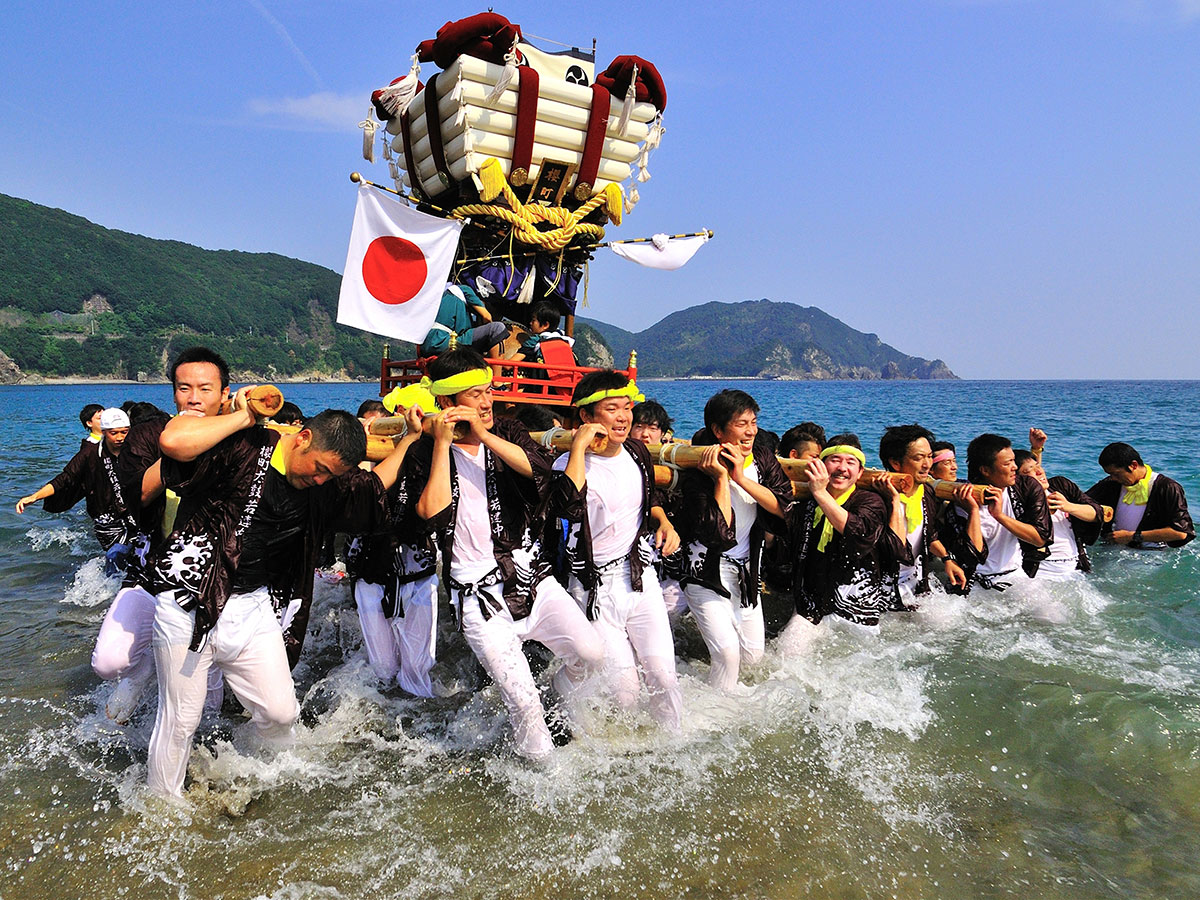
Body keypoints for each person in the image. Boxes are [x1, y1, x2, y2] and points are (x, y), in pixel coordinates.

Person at [144, 399, 405, 797]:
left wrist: (410, 442)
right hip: (189, 601)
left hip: (252, 604)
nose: (320, 480)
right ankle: (163, 807)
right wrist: (243, 415)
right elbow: (174, 441)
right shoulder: (246, 446)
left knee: (282, 712)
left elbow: (370, 489)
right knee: (181, 720)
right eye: (319, 469)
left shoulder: (324, 484)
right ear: (301, 438)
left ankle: (254, 769)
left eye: (330, 475)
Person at [406, 348, 603, 761]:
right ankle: (544, 779)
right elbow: (430, 514)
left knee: (591, 653)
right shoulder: (426, 451)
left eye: (489, 390)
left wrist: (483, 435)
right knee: (524, 705)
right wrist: (442, 445)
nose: (486, 401)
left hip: (530, 573)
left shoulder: (508, 431)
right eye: (474, 394)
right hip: (477, 593)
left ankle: (559, 694)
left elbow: (538, 472)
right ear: (446, 403)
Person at [92, 347, 230, 723]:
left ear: (224, 393)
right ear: (173, 393)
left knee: (208, 704)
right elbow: (136, 493)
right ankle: (143, 671)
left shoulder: (242, 440)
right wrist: (181, 448)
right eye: (185, 388)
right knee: (108, 662)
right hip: (151, 569)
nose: (194, 397)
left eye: (205, 388)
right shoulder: (154, 434)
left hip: (212, 582)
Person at [547, 370, 682, 730]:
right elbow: (566, 509)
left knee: (665, 679)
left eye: (627, 408)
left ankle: (671, 746)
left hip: (640, 577)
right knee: (624, 693)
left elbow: (649, 497)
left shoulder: (637, 453)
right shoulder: (568, 464)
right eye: (612, 409)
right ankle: (563, 684)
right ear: (588, 417)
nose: (624, 417)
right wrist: (577, 447)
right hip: (595, 587)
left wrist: (663, 521)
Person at [678, 389, 791, 690]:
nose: (751, 431)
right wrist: (721, 479)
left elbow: (783, 506)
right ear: (718, 430)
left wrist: (741, 477)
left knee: (753, 658)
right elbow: (719, 534)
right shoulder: (697, 468)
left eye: (753, 422)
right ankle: (715, 719)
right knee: (727, 656)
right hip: (705, 571)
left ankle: (707, 691)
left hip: (746, 571)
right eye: (742, 423)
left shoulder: (763, 458)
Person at [350, 381, 441, 696]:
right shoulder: (373, 449)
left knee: (417, 669)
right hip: (372, 566)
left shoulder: (438, 452)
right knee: (385, 668)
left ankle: (415, 711)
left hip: (417, 566)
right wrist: (358, 443)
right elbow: (358, 497)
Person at [780, 435, 910, 651]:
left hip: (858, 608)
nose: (842, 468)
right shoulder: (807, 501)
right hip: (811, 607)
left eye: (850, 463)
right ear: (822, 465)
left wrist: (821, 493)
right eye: (835, 460)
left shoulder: (871, 502)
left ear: (860, 473)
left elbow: (857, 532)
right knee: (787, 653)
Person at [17, 407, 137, 572]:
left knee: (139, 554)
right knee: (116, 557)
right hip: (106, 519)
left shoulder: (135, 450)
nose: (119, 438)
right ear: (104, 431)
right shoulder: (90, 452)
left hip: (133, 512)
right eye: (113, 433)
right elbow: (66, 478)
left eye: (124, 432)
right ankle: (110, 590)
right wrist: (34, 497)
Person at [878, 424, 973, 598]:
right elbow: (895, 550)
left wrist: (947, 559)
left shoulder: (926, 491)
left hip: (916, 583)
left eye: (929, 457)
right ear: (895, 463)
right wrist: (893, 500)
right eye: (919, 458)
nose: (927, 464)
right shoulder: (877, 499)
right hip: (883, 589)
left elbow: (929, 536)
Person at [960, 433, 1052, 591]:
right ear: (985, 470)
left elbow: (1040, 539)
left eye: (1013, 460)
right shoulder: (962, 497)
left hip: (1016, 576)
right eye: (1007, 463)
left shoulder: (1026, 487)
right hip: (974, 582)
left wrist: (1000, 516)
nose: (1015, 467)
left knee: (1054, 616)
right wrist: (974, 511)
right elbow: (972, 556)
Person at [1014, 440, 1102, 579]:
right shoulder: (1016, 501)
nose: (1039, 471)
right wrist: (1041, 510)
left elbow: (1097, 513)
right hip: (1040, 571)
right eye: (1028, 471)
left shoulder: (1061, 486)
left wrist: (1068, 506)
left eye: (1037, 466)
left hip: (1075, 566)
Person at [1086, 442, 1194, 550]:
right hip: (1112, 548)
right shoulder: (1111, 484)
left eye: (1116, 474)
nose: (1113, 478)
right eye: (1110, 474)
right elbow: (1082, 501)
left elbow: (1180, 533)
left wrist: (1132, 536)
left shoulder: (1168, 488)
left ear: (1133, 465)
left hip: (1151, 553)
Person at [419, 284, 509, 357]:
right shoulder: (464, 290)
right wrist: (487, 337)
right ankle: (497, 378)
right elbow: (486, 316)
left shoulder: (440, 296)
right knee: (497, 329)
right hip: (445, 341)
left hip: (425, 345)